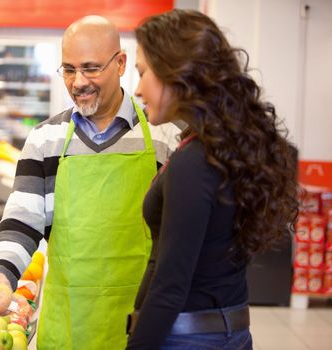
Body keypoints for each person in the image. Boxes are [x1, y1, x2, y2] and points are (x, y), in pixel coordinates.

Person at [0, 15, 179, 349]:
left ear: (121, 63)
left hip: (142, 324)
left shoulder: (163, 138)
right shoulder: (45, 140)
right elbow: (23, 220)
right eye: (68, 69)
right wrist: (2, 275)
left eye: (91, 68)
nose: (78, 82)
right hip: (67, 326)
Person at [126, 9, 299, 350]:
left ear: (175, 73)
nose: (138, 88)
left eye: (143, 72)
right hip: (228, 328)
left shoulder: (194, 162)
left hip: (186, 339)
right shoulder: (227, 149)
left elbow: (171, 285)